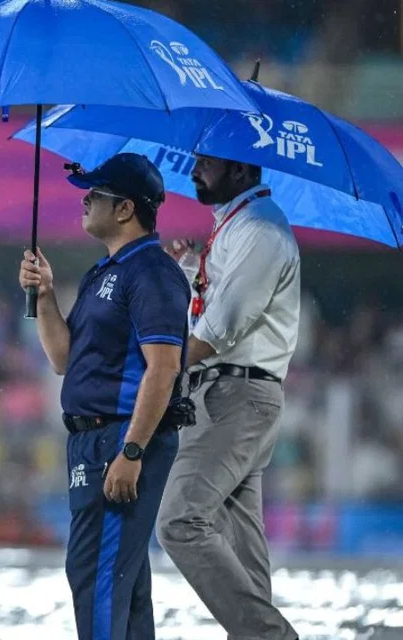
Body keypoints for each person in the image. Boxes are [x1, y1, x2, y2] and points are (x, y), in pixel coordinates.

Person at [18, 153, 191, 640]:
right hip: (93, 441)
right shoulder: (104, 272)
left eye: (96, 194)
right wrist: (45, 295)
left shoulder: (152, 272)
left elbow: (164, 367)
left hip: (120, 439)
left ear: (125, 209)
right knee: (121, 582)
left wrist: (132, 451)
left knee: (96, 575)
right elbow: (63, 359)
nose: (85, 200)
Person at [156, 154, 301, 640]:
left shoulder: (260, 230)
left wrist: (162, 367)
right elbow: (220, 308)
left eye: (207, 163)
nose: (194, 170)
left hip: (235, 394)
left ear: (240, 169)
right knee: (241, 545)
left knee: (180, 521)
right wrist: (191, 269)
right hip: (235, 393)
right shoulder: (239, 225)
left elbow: (222, 326)